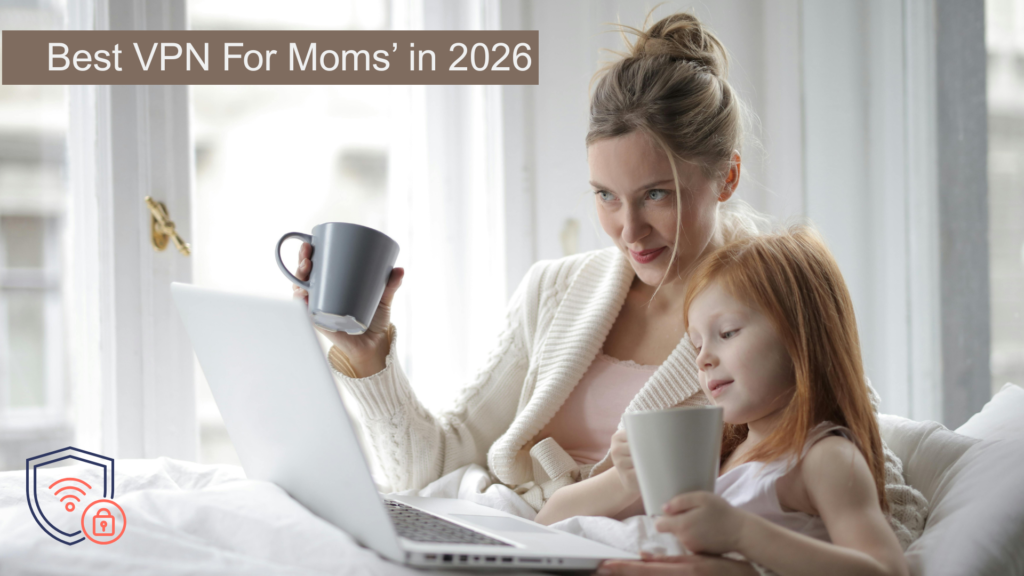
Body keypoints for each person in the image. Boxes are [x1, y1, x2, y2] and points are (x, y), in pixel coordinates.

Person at [292, 11, 925, 573]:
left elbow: (882, 505)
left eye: (657, 194)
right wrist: (368, 355)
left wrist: (739, 565)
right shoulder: (555, 289)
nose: (629, 231)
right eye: (604, 196)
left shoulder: (769, 303)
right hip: (517, 534)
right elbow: (425, 473)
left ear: (726, 176)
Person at [546, 228, 909, 576]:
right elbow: (547, 523)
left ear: (802, 335)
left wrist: (741, 534)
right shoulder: (718, 453)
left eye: (727, 333)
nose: (702, 359)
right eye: (696, 344)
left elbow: (886, 571)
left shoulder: (822, 457)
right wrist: (626, 481)